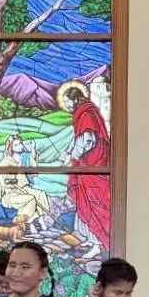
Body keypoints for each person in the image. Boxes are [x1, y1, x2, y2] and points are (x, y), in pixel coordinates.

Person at [61, 85, 112, 250]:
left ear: (75, 98)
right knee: (84, 200)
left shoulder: (86, 113)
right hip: (88, 163)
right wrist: (68, 152)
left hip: (92, 164)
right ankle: (89, 240)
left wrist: (73, 156)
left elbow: (88, 139)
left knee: (94, 201)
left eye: (67, 101)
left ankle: (97, 243)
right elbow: (79, 137)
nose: (66, 105)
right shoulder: (84, 113)